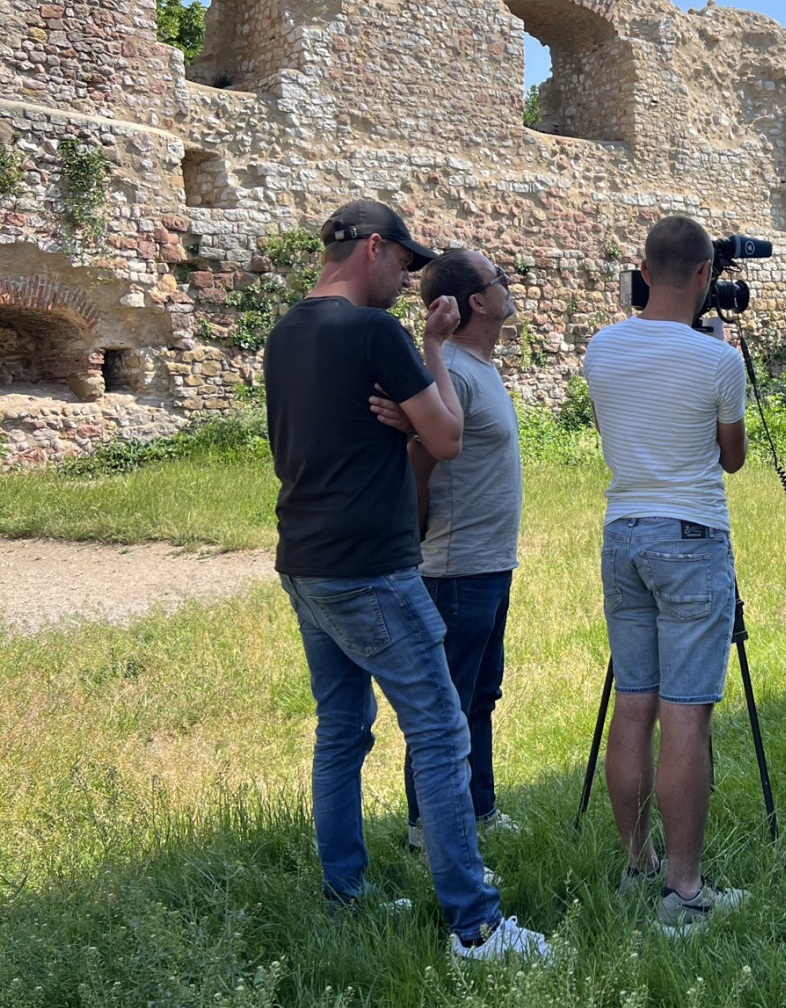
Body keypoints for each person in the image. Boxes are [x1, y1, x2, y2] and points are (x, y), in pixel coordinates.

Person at [264, 199, 549, 962]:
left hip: (305, 561)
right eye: (405, 263)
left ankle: (345, 892)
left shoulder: (285, 331)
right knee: (441, 731)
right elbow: (448, 438)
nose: (411, 279)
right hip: (374, 569)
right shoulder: (373, 331)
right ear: (373, 250)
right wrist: (427, 356)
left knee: (341, 733)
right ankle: (476, 927)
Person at [581, 214, 751, 936]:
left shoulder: (601, 347)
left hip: (623, 533)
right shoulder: (718, 361)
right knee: (686, 714)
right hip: (690, 535)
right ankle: (684, 892)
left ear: (643, 271)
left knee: (634, 705)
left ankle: (636, 864)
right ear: (707, 276)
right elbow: (732, 458)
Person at [369, 248, 523, 854]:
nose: (509, 284)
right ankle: (424, 830)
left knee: (480, 696)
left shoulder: (477, 364)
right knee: (446, 707)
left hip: (490, 561)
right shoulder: (451, 371)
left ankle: (479, 809)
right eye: (499, 278)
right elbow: (420, 461)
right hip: (456, 569)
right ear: (476, 302)